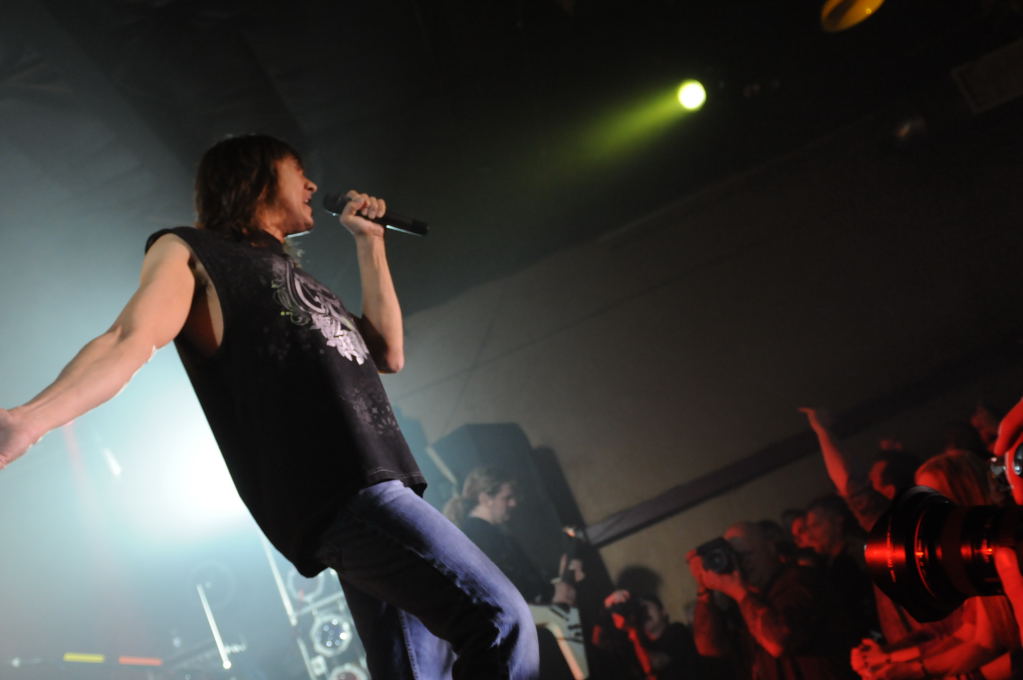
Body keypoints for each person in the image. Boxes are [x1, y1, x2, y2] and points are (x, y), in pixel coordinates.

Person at [0, 134, 539, 680]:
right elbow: (127, 338)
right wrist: (29, 420)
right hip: (340, 488)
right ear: (254, 177)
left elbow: (387, 353)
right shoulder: (192, 251)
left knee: (414, 670)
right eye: (298, 170)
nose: (312, 184)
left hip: (378, 482)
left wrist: (371, 243)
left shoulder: (295, 275)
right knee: (499, 620)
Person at [850, 450, 1019, 680]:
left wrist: (911, 669)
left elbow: (985, 645)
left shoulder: (1005, 548)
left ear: (964, 495)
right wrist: (892, 662)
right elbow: (974, 639)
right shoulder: (973, 557)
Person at [687, 521, 858, 680]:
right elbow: (708, 649)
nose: (742, 564)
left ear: (770, 547)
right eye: (735, 559)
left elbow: (779, 642)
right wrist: (704, 589)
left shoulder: (800, 580)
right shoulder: (746, 600)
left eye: (746, 555)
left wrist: (738, 592)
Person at [444, 466, 582, 606]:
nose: (513, 503)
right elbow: (506, 586)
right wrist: (552, 592)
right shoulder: (481, 536)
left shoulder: (479, 533)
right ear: (485, 499)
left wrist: (559, 580)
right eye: (507, 498)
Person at [593, 589, 699, 680]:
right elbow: (597, 642)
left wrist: (632, 631)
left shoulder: (677, 630)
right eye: (640, 611)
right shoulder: (635, 641)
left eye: (646, 608)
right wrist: (606, 608)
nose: (644, 614)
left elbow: (658, 662)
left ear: (663, 612)